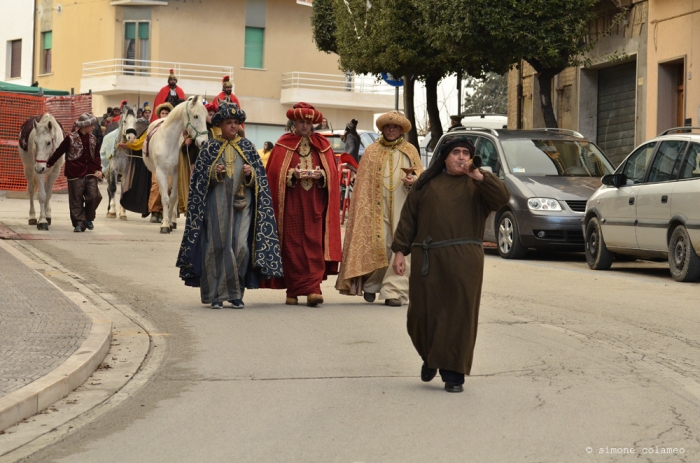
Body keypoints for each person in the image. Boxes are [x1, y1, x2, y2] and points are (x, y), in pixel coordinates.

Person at [390, 137, 510, 393]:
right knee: (421, 315)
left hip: (465, 260)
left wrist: (479, 176)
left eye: (466, 153)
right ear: (444, 156)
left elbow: (501, 198)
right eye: (455, 152)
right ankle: (430, 357)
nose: (461, 157)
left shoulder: (477, 185)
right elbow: (408, 218)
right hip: (428, 258)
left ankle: (453, 373)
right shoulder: (426, 183)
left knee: (459, 317)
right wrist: (400, 251)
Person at [176, 104, 282, 309]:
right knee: (217, 246)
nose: (233, 126)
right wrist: (214, 173)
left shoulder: (249, 147)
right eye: (228, 123)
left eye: (236, 123)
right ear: (220, 125)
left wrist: (251, 176)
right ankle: (215, 294)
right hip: (216, 205)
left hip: (244, 205)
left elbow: (261, 181)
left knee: (241, 246)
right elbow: (198, 181)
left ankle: (236, 292)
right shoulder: (209, 147)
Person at [336, 111, 423, 307]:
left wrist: (413, 181)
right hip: (376, 207)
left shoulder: (410, 150)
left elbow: (420, 175)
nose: (391, 130)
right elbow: (362, 183)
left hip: (403, 206)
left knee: (401, 246)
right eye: (388, 127)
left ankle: (394, 290)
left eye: (395, 127)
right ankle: (372, 284)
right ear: (383, 130)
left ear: (401, 130)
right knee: (381, 245)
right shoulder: (372, 151)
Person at [262, 102, 341, 306]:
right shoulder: (282, 144)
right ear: (293, 122)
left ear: (313, 123)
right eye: (300, 122)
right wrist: (290, 175)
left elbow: (333, 174)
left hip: (315, 203)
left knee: (314, 243)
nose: (304, 126)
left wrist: (322, 175)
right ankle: (293, 290)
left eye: (307, 122)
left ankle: (313, 288)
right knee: (292, 245)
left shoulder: (323, 145)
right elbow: (273, 174)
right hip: (291, 204)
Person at [46, 113, 104, 232]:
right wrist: (49, 163)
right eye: (91, 125)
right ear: (85, 125)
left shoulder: (93, 139)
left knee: (95, 196)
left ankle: (88, 217)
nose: (93, 128)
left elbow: (97, 156)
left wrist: (99, 170)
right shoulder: (70, 138)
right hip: (74, 173)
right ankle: (79, 223)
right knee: (76, 200)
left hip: (91, 173)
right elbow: (59, 151)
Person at [147, 102, 174, 223]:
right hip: (157, 162)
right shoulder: (154, 128)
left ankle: (164, 212)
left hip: (171, 163)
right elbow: (144, 141)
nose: (164, 115)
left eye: (167, 113)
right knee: (156, 186)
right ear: (159, 115)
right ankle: (154, 211)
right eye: (162, 113)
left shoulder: (174, 130)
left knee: (168, 187)